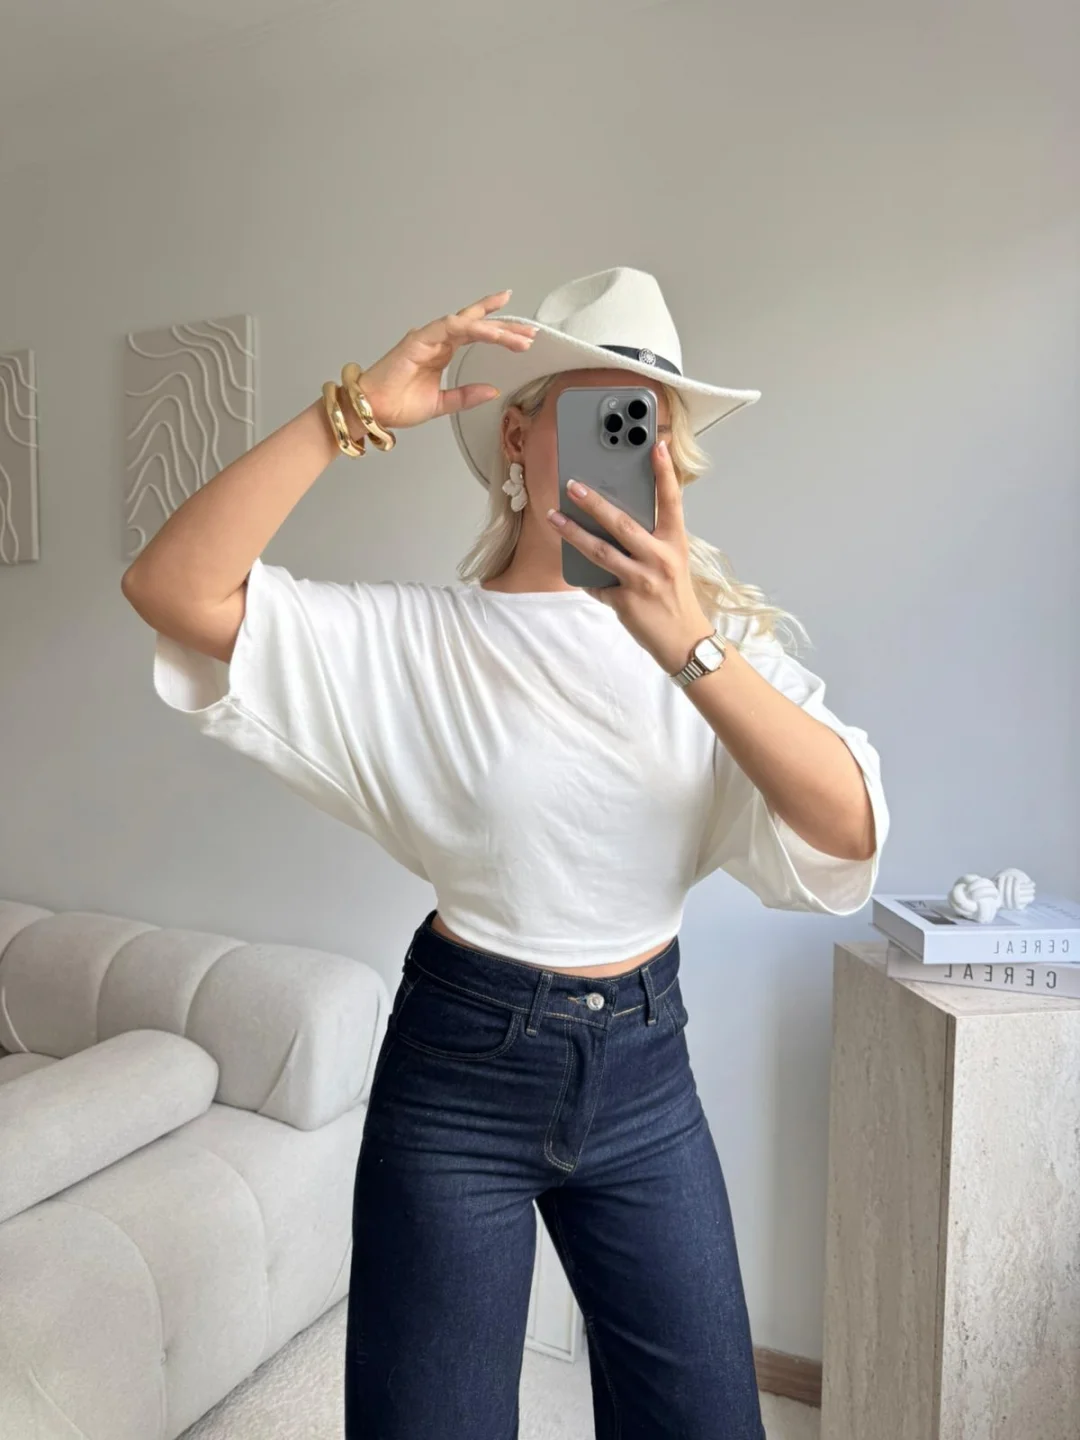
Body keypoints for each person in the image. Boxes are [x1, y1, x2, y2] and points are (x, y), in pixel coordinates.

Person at [122, 267, 889, 1440]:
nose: (627, 447)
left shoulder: (715, 649)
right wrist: (346, 412)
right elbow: (171, 587)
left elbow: (849, 830)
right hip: (460, 1075)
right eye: (598, 414)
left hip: (648, 1076)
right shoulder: (419, 641)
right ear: (519, 436)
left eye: (647, 424)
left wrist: (687, 643)